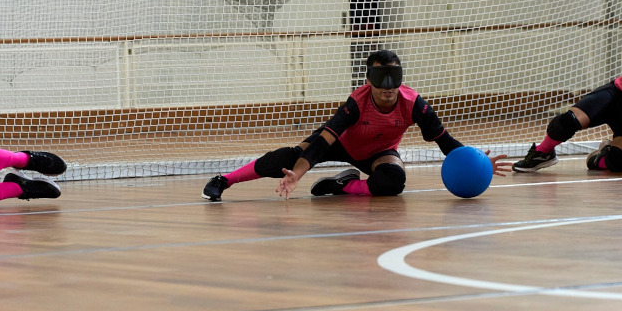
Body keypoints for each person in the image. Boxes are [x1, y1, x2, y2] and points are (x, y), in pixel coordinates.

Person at [203, 49, 510, 201]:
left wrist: (477, 161)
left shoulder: (414, 103)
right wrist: (297, 173)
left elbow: (443, 140)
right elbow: (324, 139)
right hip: (341, 143)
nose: (387, 88)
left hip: (379, 152)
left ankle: (342, 185)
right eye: (380, 80)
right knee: (286, 158)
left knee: (393, 184)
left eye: (393, 80)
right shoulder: (357, 102)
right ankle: (225, 180)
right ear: (368, 80)